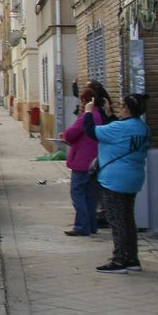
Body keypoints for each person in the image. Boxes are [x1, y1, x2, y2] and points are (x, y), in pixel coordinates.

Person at [87, 93, 151, 274]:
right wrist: (109, 115)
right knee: (128, 219)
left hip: (114, 179)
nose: (120, 109)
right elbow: (118, 133)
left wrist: (88, 112)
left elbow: (91, 131)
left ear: (127, 108)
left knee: (116, 220)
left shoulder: (119, 128)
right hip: (134, 177)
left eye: (122, 106)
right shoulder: (143, 128)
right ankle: (132, 258)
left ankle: (119, 260)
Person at [60, 83, 109, 238]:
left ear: (85, 100)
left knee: (77, 193)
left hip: (82, 161)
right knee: (90, 196)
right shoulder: (99, 115)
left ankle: (81, 226)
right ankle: (91, 225)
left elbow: (72, 133)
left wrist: (65, 136)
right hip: (95, 160)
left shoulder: (87, 116)